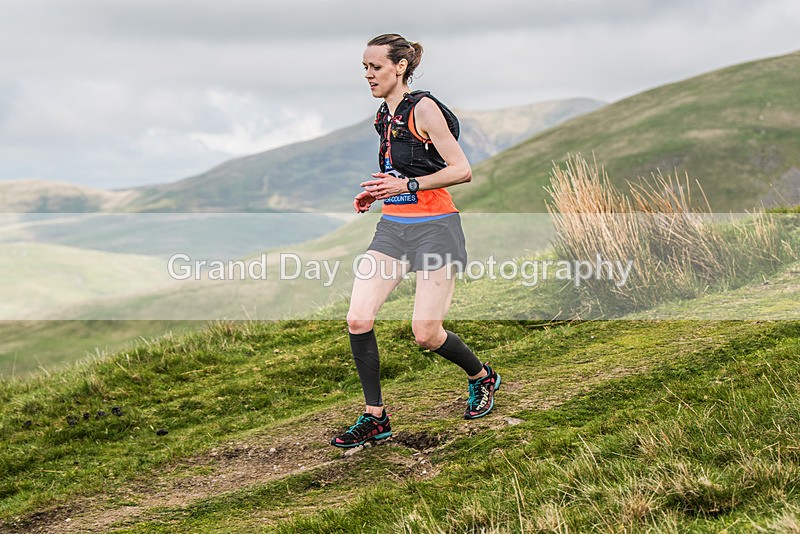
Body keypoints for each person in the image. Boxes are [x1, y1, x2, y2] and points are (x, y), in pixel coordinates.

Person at [330, 33, 501, 449]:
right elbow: (399, 174)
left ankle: (483, 377)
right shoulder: (381, 117)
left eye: (377, 67)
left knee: (425, 332)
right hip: (393, 227)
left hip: (435, 227)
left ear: (400, 67)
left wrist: (407, 182)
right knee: (358, 319)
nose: (369, 75)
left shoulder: (423, 108)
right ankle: (376, 418)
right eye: (365, 68)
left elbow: (461, 169)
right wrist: (379, 192)